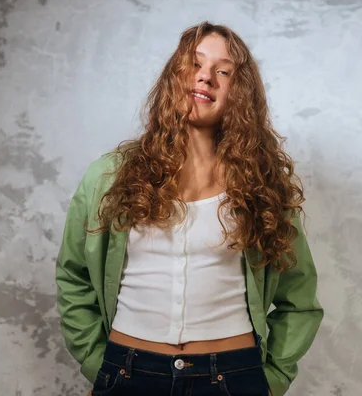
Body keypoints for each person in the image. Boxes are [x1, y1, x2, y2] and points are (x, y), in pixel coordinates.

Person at [55, 21, 324, 396]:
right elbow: (74, 276)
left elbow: (299, 297)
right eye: (194, 64)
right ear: (174, 75)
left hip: (232, 376)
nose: (206, 78)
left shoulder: (262, 185)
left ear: (240, 91)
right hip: (128, 372)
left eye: (224, 71)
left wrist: (272, 379)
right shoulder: (109, 175)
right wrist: (97, 363)